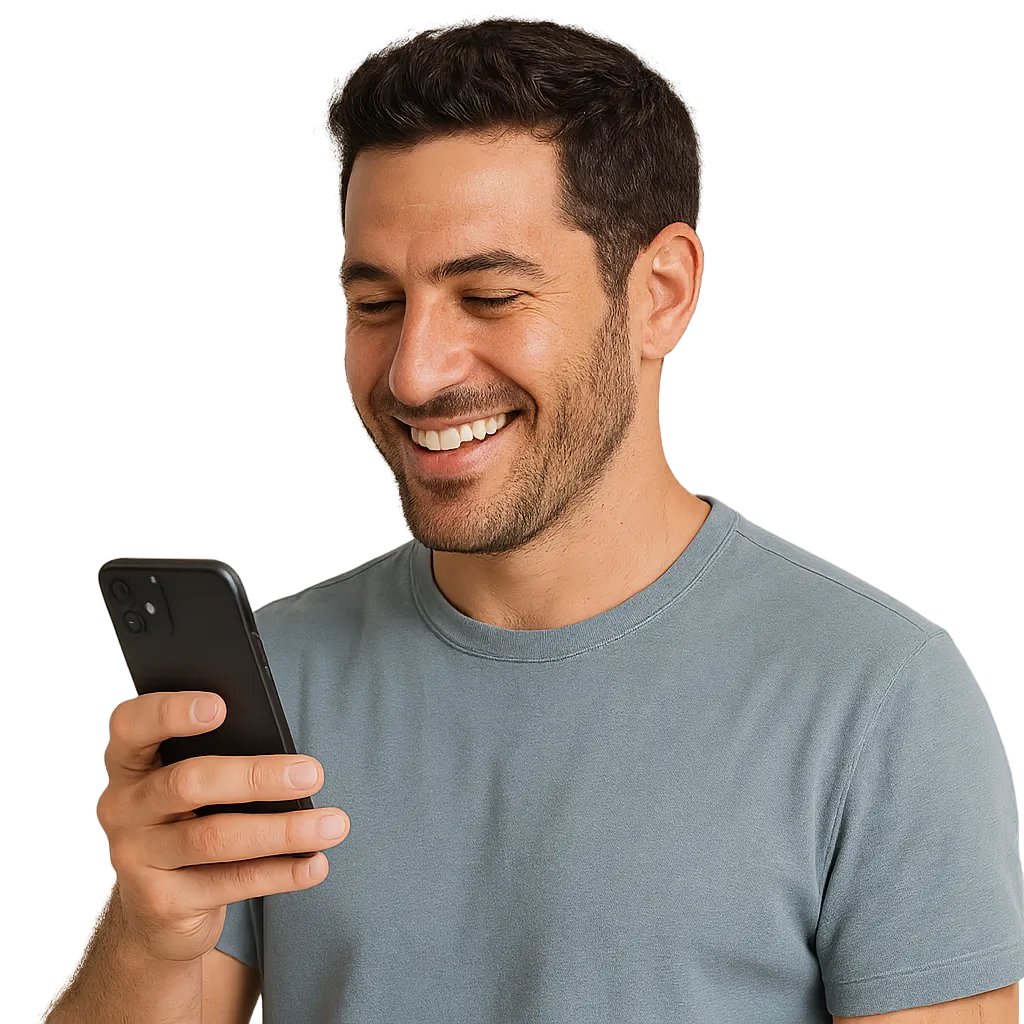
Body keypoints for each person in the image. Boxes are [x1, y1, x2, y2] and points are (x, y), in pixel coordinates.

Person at [45, 18, 1023, 1024]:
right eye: (376, 305)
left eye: (489, 295)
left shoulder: (877, 698)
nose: (414, 373)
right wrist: (147, 935)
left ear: (660, 294)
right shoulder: (271, 682)